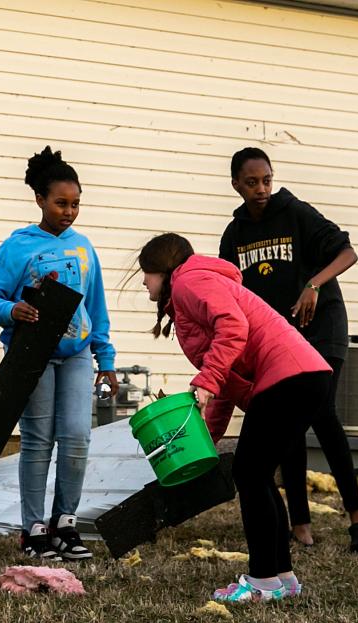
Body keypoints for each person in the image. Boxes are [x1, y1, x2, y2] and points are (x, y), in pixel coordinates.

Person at [137, 233, 331, 603]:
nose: (145, 281)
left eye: (146, 273)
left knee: (250, 473)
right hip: (303, 378)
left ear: (163, 269)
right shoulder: (192, 290)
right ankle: (282, 578)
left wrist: (204, 381)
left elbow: (233, 328)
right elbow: (224, 380)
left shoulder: (190, 281)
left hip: (289, 377)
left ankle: (262, 581)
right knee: (255, 474)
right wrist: (206, 438)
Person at [220, 147, 358, 553]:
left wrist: (313, 284)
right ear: (236, 184)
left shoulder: (296, 213)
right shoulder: (235, 235)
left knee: (322, 413)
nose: (261, 189)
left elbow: (348, 252)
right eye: (252, 182)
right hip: (278, 341)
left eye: (267, 180)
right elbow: (229, 293)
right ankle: (300, 522)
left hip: (322, 327)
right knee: (286, 421)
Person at [0, 146, 118, 562]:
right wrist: (10, 310)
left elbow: (97, 307)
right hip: (31, 355)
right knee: (38, 441)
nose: (69, 212)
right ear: (40, 199)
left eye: (76, 204)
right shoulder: (17, 247)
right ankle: (33, 529)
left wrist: (105, 360)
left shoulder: (84, 247)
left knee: (76, 436)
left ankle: (65, 523)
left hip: (76, 355)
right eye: (61, 203)